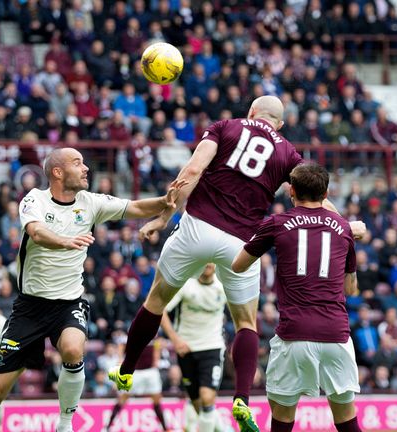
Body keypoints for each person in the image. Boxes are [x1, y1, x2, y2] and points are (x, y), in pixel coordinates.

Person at [109, 95, 365, 432]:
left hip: (196, 227)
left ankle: (126, 370)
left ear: (251, 113)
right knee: (246, 323)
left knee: (156, 301)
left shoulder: (224, 128)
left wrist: (162, 216)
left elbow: (193, 171)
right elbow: (315, 196)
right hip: (240, 240)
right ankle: (242, 397)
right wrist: (344, 225)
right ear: (280, 124)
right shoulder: (287, 151)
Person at [0, 147, 186, 432]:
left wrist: (165, 200)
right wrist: (64, 241)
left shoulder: (90, 202)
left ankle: (65, 424)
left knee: (72, 348)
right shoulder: (35, 199)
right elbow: (35, 232)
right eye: (77, 163)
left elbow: (135, 208)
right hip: (29, 308)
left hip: (69, 303)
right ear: (57, 172)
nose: (86, 169)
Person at [231, 163, 363, 432]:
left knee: (281, 421)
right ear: (326, 194)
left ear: (291, 191)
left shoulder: (277, 223)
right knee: (347, 423)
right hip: (335, 334)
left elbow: (238, 265)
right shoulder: (344, 229)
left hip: (294, 334)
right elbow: (351, 290)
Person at [161, 263, 227, 432]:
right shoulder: (186, 285)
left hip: (212, 347)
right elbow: (160, 310)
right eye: (205, 261)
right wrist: (175, 340)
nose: (208, 265)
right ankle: (224, 429)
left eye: (212, 261)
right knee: (199, 405)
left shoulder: (223, 287)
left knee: (207, 397)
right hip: (186, 349)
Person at [106, 339, 168, 432]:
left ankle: (165, 428)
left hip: (151, 371)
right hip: (135, 372)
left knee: (157, 399)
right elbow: (121, 346)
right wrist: (120, 361)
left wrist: (156, 358)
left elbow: (157, 345)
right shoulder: (133, 330)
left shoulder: (153, 331)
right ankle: (107, 427)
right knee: (122, 398)